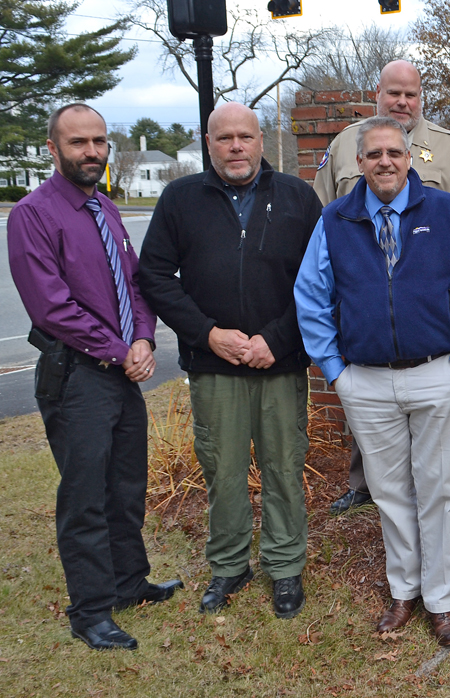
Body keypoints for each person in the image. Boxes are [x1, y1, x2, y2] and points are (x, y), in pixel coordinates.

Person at [295, 116, 450, 645]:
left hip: (437, 373)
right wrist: (335, 371)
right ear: (358, 163)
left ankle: (443, 600)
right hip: (365, 379)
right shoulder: (336, 220)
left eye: (394, 153)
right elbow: (311, 297)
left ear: (409, 159)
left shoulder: (446, 211)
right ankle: (404, 590)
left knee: (442, 489)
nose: (385, 162)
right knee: (388, 490)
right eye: (374, 154)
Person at [7, 103, 183, 651]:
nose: (92, 152)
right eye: (79, 143)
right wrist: (118, 349)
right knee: (84, 496)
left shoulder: (103, 208)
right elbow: (51, 307)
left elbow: (134, 285)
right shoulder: (32, 215)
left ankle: (129, 583)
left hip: (120, 372)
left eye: (100, 141)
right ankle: (90, 610)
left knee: (126, 486)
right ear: (54, 148)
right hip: (76, 375)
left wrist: (144, 339)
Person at [138, 102, 322, 618]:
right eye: (225, 139)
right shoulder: (181, 199)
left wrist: (278, 339)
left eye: (245, 137)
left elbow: (318, 283)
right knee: (223, 470)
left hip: (278, 364)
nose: (236, 147)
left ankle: (284, 567)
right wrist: (208, 333)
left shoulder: (297, 197)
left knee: (284, 467)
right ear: (209, 142)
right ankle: (229, 565)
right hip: (214, 365)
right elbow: (153, 276)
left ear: (262, 140)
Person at [314, 59, 450, 515]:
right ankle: (365, 483)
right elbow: (322, 220)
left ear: (421, 97)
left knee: (436, 439)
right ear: (377, 93)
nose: (402, 102)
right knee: (371, 410)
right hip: (365, 322)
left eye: (410, 94)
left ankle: (435, 490)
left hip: (431, 320)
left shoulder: (448, 148)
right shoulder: (343, 146)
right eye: (393, 93)